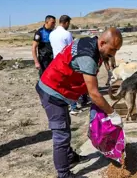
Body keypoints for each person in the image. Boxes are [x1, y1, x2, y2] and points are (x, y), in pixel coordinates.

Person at [36, 27, 123, 178]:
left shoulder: (91, 43)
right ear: (102, 42)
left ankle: (69, 157)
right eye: (113, 49)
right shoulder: (88, 57)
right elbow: (94, 94)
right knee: (61, 134)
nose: (113, 54)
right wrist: (111, 113)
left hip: (59, 88)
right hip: (52, 91)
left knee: (65, 126)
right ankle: (63, 174)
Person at [49, 15, 82, 115]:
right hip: (66, 62)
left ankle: (63, 105)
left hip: (56, 62)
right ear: (66, 23)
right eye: (69, 24)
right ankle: (73, 106)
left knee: (60, 84)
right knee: (70, 85)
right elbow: (72, 49)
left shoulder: (52, 34)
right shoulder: (67, 34)